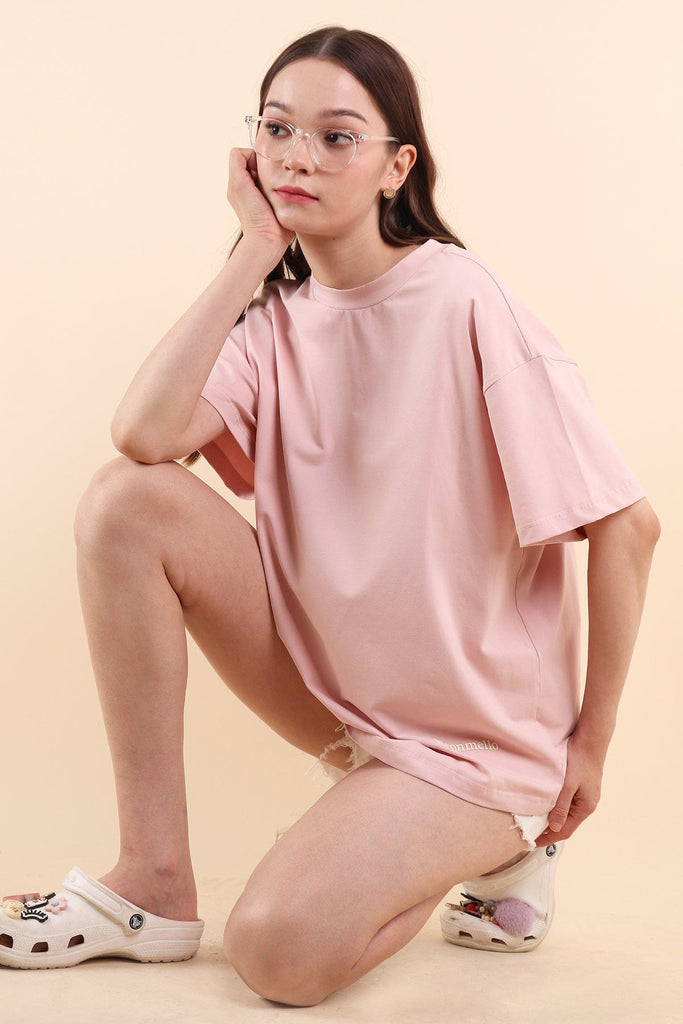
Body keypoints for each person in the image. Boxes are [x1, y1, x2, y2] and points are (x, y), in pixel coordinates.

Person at [0, 25, 659, 1007]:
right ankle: (151, 881)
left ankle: (500, 847)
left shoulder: (462, 299)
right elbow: (142, 435)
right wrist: (255, 252)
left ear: (398, 166)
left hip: (480, 743)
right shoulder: (272, 325)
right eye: (276, 130)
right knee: (124, 503)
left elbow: (626, 526)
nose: (297, 156)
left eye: (336, 136)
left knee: (277, 952)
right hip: (340, 699)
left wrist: (587, 749)